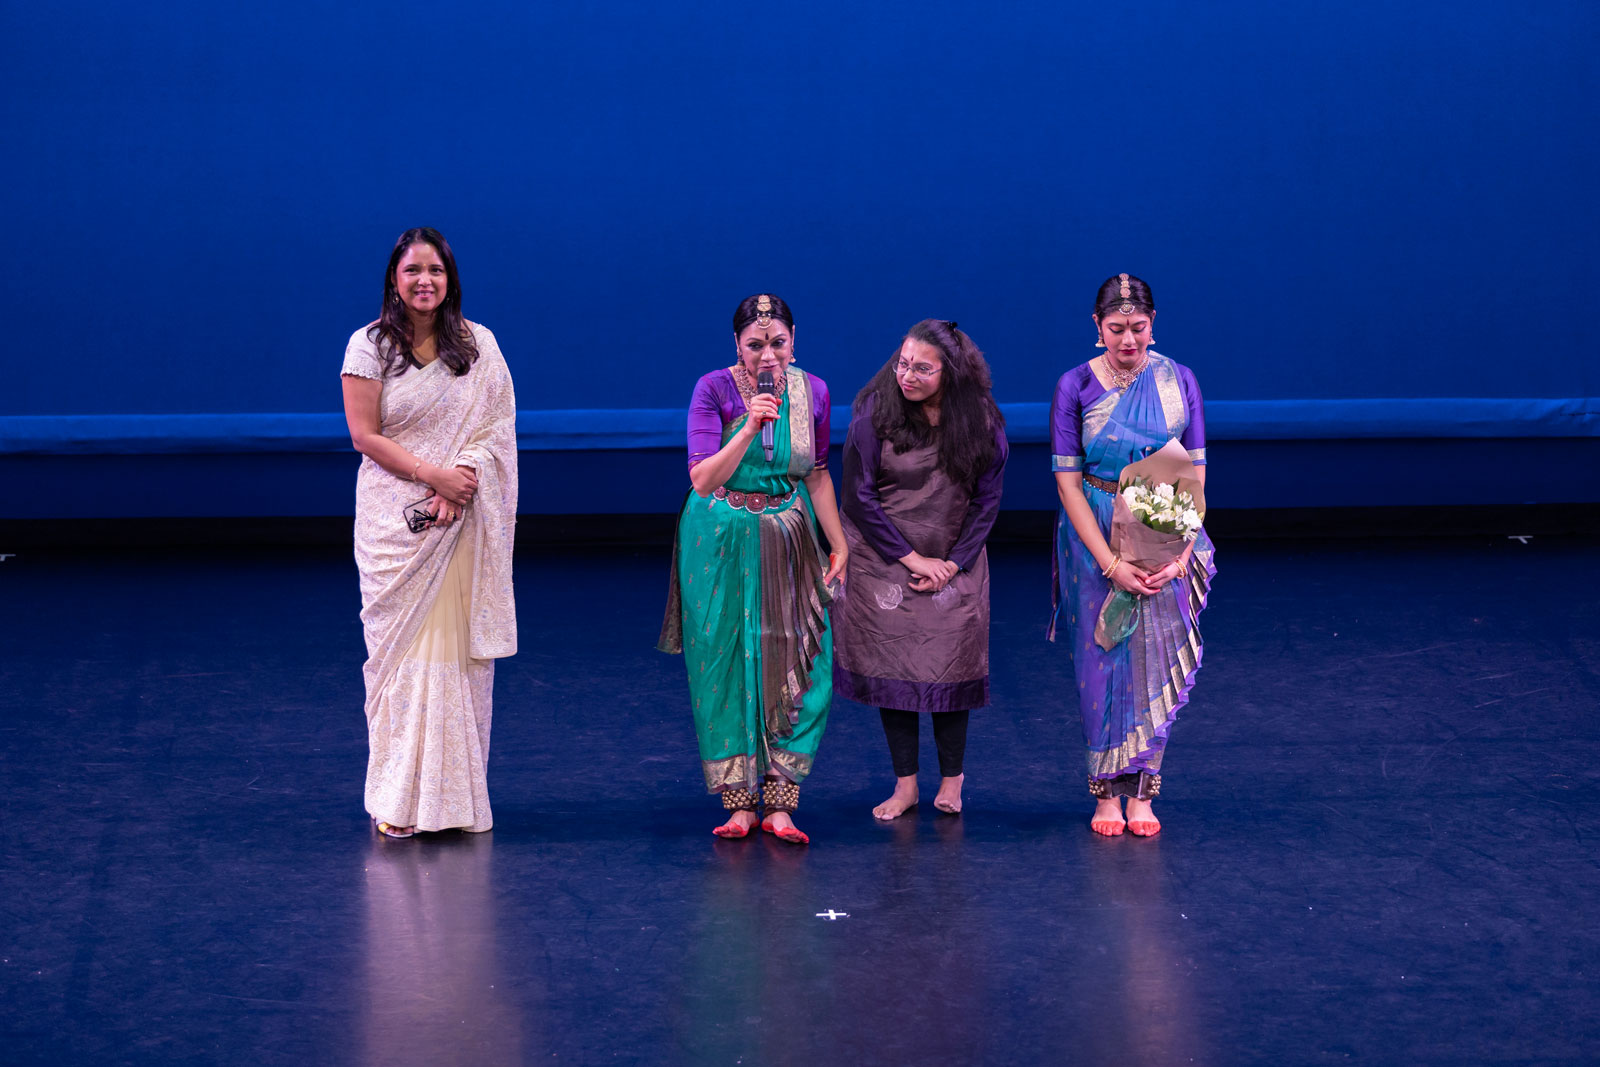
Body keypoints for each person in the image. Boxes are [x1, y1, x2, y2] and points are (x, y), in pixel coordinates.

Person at [339, 227, 518, 839]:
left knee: (453, 659)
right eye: (413, 270)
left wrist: (461, 476)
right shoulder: (368, 345)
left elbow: (496, 426)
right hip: (395, 524)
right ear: (394, 278)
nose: (424, 281)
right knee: (402, 661)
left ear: (450, 279)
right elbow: (364, 435)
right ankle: (398, 800)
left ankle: (453, 803)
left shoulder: (478, 344)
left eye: (435, 270)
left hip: (460, 518)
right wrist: (431, 475)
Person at [658, 294, 848, 845]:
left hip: (790, 533)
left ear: (794, 340)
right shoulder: (713, 389)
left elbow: (817, 474)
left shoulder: (813, 392)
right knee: (724, 659)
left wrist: (838, 542)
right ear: (736, 346)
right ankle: (739, 803)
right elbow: (702, 479)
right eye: (755, 345)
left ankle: (782, 800)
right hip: (719, 538)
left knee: (806, 656)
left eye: (778, 343)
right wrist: (749, 425)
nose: (769, 355)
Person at [1050, 273, 1215, 838]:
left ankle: (1143, 792)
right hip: (1094, 530)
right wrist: (1110, 563)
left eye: (1138, 328)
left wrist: (1181, 552)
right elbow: (1068, 483)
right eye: (1116, 328)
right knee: (1102, 659)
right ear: (1096, 326)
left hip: (1164, 523)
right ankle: (1105, 795)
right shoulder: (1075, 385)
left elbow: (1195, 470)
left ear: (1153, 324)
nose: (1128, 339)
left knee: (1153, 659)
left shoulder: (1178, 379)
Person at [833, 319, 1008, 820]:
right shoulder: (875, 413)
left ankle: (952, 780)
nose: (907, 375)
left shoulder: (981, 422)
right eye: (903, 363)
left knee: (952, 666)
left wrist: (952, 563)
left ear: (950, 373)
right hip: (886, 558)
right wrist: (912, 559)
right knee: (896, 671)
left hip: (955, 558)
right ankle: (906, 784)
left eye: (922, 369)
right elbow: (858, 497)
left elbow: (987, 501)